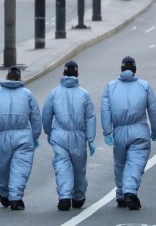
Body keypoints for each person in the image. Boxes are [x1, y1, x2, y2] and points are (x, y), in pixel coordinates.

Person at [101, 56, 156, 210]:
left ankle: (121, 193)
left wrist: (107, 132)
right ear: (135, 70)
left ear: (121, 70)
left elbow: (105, 109)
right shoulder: (144, 86)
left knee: (120, 163)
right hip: (139, 130)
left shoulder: (111, 86)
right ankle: (129, 192)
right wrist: (155, 129)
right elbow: (153, 109)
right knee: (135, 162)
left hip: (119, 131)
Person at [0, 66, 42, 211]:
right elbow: (35, 117)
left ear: (7, 76)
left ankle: (4, 193)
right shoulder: (27, 94)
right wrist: (35, 135)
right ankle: (15, 197)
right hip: (23, 135)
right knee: (21, 167)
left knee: (4, 167)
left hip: (2, 136)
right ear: (20, 78)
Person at [42, 60, 96, 211]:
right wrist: (90, 139)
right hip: (78, 136)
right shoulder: (84, 94)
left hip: (59, 135)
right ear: (77, 74)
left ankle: (64, 196)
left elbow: (47, 114)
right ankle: (78, 196)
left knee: (62, 165)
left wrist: (49, 131)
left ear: (64, 73)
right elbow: (90, 117)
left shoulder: (54, 93)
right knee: (79, 168)